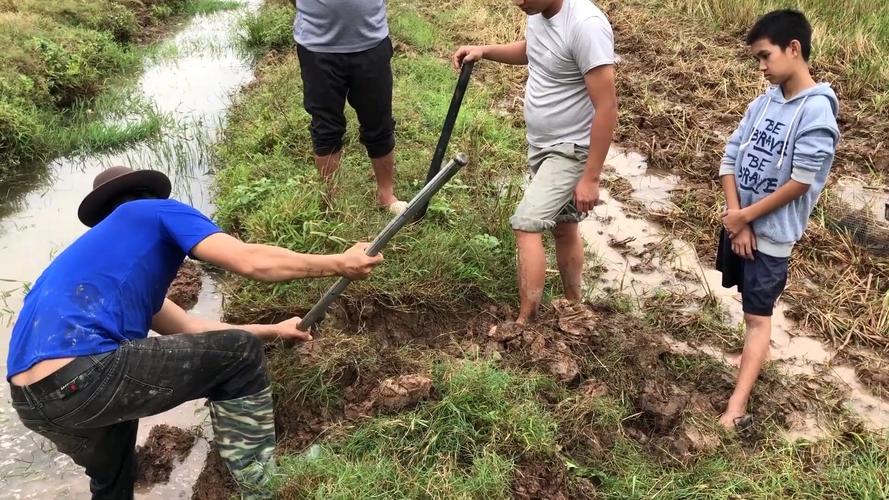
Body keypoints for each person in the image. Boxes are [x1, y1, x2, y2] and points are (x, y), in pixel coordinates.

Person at [6, 166, 384, 499]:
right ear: (148, 196)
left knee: (113, 480)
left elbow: (191, 328)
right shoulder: (154, 211)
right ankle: (259, 480)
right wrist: (338, 263)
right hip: (86, 375)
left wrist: (274, 330)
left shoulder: (93, 266)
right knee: (240, 353)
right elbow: (248, 260)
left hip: (32, 401)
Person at [451, 0, 618, 323]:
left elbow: (607, 107)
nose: (518, 2)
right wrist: (484, 50)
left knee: (526, 224)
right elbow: (533, 49)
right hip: (543, 145)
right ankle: (574, 307)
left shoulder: (585, 25)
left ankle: (525, 323)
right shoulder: (540, 13)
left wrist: (591, 178)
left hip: (570, 149)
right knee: (564, 226)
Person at [717, 10, 839, 429]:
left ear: (794, 49)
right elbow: (730, 157)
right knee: (748, 302)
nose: (762, 66)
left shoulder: (817, 113)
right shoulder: (764, 102)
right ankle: (749, 358)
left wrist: (746, 218)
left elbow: (800, 182)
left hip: (769, 235)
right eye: (757, 59)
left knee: (758, 316)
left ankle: (736, 407)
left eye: (766, 56)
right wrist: (737, 218)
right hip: (742, 225)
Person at [294, 0, 407, 214]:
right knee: (326, 126)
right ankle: (332, 200)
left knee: (379, 122)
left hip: (371, 44)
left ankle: (386, 195)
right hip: (317, 49)